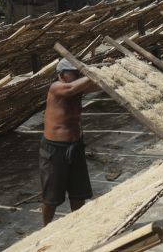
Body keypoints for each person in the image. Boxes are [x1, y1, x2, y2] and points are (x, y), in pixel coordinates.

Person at [40, 58, 100, 225]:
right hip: (54, 149)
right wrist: (95, 72)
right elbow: (70, 88)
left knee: (78, 193)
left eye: (78, 73)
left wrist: (112, 68)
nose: (77, 76)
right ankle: (45, 228)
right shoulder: (57, 87)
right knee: (51, 197)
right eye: (73, 73)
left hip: (75, 146)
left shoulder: (78, 87)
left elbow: (100, 84)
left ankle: (77, 226)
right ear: (61, 75)